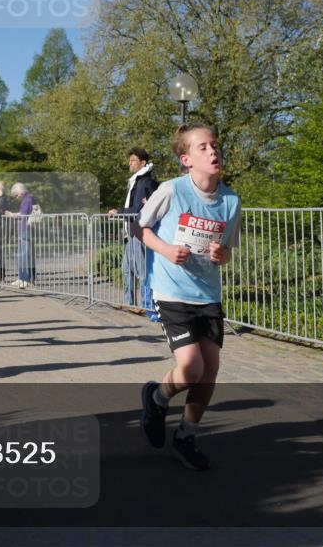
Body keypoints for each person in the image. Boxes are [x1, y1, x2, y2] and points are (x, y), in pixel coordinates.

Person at [138, 124, 240, 471]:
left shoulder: (231, 201)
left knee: (209, 372)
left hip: (207, 295)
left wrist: (222, 255)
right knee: (191, 368)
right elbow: (140, 228)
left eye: (215, 145)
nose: (213, 152)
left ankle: (186, 437)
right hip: (171, 292)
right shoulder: (172, 190)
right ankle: (157, 397)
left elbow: (228, 251)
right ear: (186, 160)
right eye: (203, 147)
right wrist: (166, 250)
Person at [108, 148, 159, 310]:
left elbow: (139, 209)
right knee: (126, 269)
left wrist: (119, 212)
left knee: (141, 270)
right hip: (132, 231)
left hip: (140, 231)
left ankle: (146, 305)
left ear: (143, 163)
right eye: (129, 160)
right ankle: (128, 302)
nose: (129, 163)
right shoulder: (136, 182)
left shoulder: (146, 183)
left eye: (133, 160)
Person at [8, 182, 36, 288]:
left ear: (20, 192)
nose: (16, 197)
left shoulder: (27, 199)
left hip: (25, 229)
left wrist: (12, 215)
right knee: (21, 255)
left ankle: (25, 279)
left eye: (16, 195)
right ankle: (21, 278)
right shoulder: (27, 199)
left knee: (24, 255)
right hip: (23, 229)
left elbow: (23, 215)